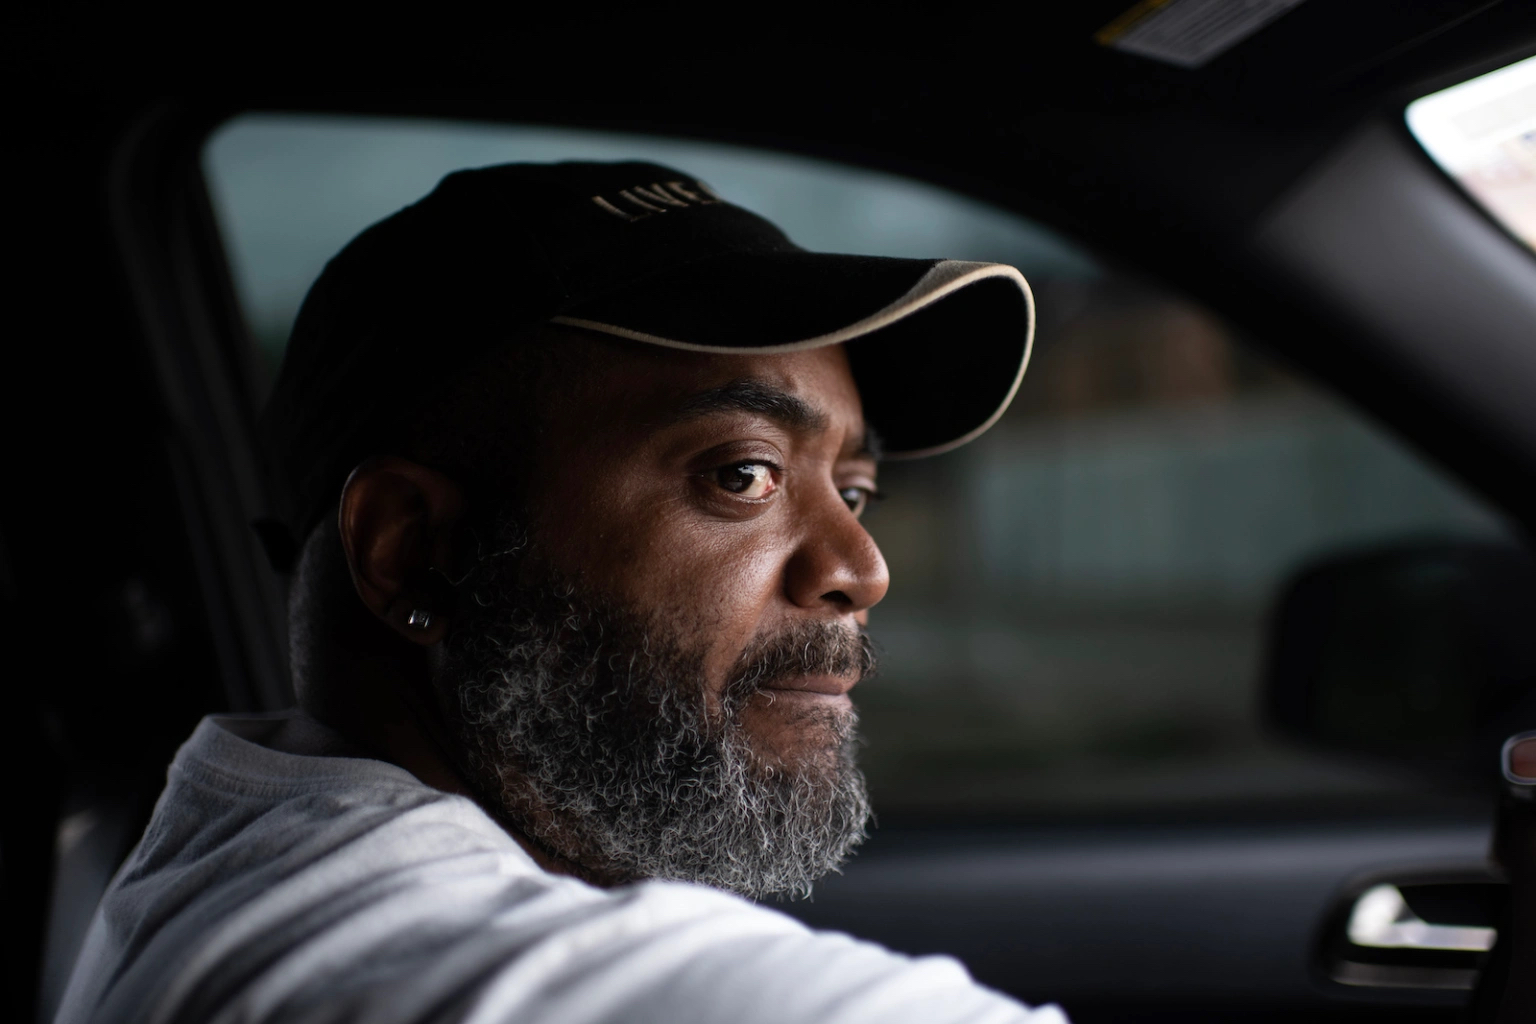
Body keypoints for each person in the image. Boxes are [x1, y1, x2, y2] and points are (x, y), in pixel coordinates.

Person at [53, 162, 1065, 1023]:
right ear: (414, 549)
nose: (861, 567)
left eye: (853, 490)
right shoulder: (400, 954)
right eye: (743, 474)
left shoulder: (248, 853)